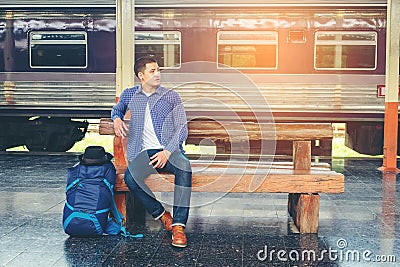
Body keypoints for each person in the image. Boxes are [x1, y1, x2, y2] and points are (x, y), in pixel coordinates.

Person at [111, 55, 192, 248]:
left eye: (158, 70)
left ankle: (179, 226)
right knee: (130, 179)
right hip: (143, 152)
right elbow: (118, 108)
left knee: (185, 168)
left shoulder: (171, 96)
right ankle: (163, 215)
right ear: (141, 75)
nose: (158, 74)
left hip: (169, 150)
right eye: (152, 71)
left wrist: (167, 151)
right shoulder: (130, 94)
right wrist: (116, 118)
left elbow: (182, 128)